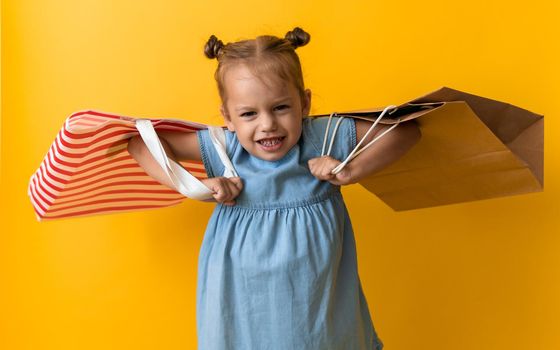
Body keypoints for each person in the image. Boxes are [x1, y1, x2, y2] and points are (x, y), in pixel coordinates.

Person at [127, 27, 421, 350]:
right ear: (227, 116)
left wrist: (350, 170)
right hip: (241, 303)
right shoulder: (226, 149)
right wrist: (199, 185)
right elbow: (140, 145)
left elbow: (404, 132)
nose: (267, 124)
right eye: (249, 114)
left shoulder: (320, 137)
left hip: (317, 308)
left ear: (304, 102)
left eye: (281, 107)